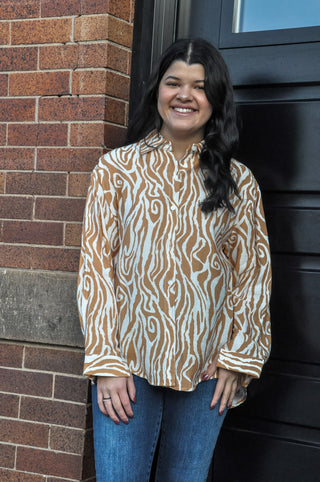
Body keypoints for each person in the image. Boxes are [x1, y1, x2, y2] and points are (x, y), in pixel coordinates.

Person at [77, 38, 271, 481]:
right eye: (173, 83)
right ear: (157, 92)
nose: (185, 95)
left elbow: (253, 275)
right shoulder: (116, 171)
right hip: (127, 368)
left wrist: (237, 358)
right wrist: (106, 362)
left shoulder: (238, 181)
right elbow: (96, 268)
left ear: (215, 99)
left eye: (200, 87)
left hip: (205, 372)